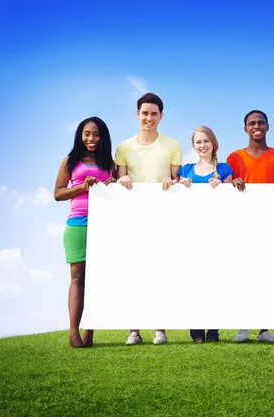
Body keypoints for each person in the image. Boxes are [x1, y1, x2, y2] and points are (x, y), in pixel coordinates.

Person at [115, 92, 183, 345]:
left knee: (160, 270)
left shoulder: (172, 145)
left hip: (163, 216)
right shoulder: (124, 147)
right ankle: (134, 329)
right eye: (145, 113)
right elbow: (120, 180)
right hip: (133, 217)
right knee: (134, 271)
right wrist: (121, 179)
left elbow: (178, 179)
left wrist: (172, 181)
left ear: (161, 116)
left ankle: (160, 329)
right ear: (137, 114)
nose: (149, 118)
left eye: (154, 113)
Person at [226, 109, 274, 343]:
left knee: (267, 275)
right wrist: (233, 182)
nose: (256, 126)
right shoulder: (234, 157)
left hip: (272, 224)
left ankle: (264, 329)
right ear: (245, 129)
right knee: (243, 275)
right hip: (242, 224)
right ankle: (243, 328)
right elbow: (226, 186)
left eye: (260, 122)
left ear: (268, 126)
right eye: (251, 123)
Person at [54, 116, 116, 347]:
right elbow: (58, 193)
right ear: (80, 135)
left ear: (103, 137)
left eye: (96, 134)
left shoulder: (109, 162)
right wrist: (81, 187)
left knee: (97, 280)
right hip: (77, 224)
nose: (92, 138)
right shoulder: (71, 161)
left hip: (104, 226)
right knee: (77, 278)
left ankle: (90, 332)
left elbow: (121, 190)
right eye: (87, 133)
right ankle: (73, 332)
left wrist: (114, 184)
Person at [175, 125, 235, 342]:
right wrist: (182, 185)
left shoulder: (225, 169)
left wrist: (222, 187)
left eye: (206, 141)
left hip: (217, 232)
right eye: (198, 142)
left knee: (215, 280)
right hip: (191, 233)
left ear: (213, 144)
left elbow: (232, 203)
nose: (203, 145)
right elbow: (175, 196)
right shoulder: (186, 170)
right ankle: (196, 330)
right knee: (194, 281)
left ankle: (214, 331)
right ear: (193, 146)